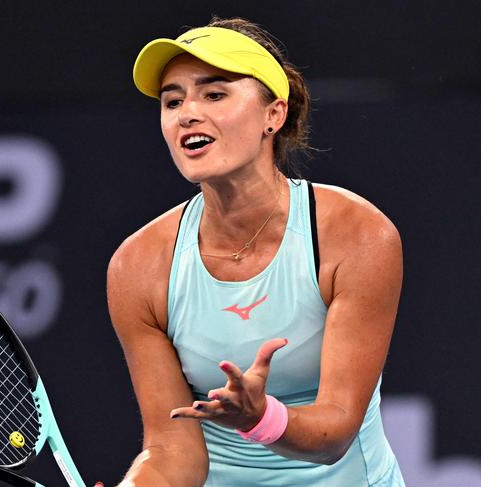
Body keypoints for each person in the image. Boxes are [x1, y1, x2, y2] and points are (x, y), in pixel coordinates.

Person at [106, 16, 405, 487]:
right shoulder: (138, 265)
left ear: (274, 114)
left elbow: (335, 433)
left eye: (215, 94)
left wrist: (259, 417)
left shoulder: (356, 233)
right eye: (172, 100)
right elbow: (170, 448)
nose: (187, 113)